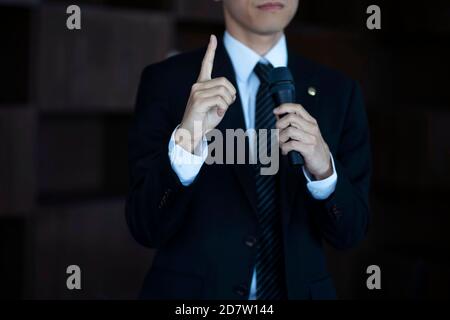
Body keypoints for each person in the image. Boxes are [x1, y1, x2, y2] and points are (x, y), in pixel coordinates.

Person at [126, 0, 371, 300]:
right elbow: (144, 226)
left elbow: (351, 233)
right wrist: (185, 146)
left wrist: (324, 172)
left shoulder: (338, 91)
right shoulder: (168, 81)